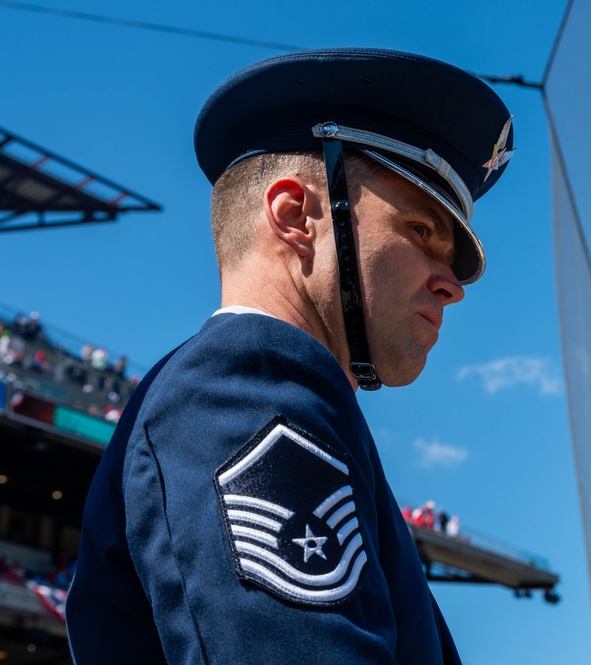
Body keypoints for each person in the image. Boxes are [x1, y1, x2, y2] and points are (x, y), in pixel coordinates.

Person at [66, 48, 515, 664]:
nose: (452, 284)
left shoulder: (279, 402)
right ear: (296, 214)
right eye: (420, 230)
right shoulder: (243, 391)